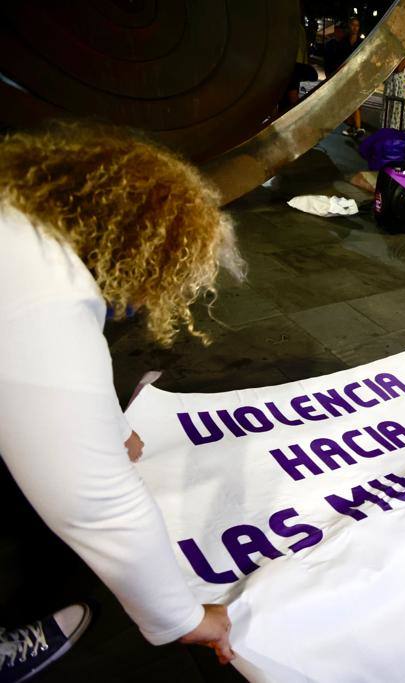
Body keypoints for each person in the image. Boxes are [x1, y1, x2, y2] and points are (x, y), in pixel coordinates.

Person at [0, 122, 245, 674]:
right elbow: (97, 503)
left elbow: (44, 377)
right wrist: (184, 617)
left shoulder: (21, 219)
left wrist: (112, 428)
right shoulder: (47, 297)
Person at [324, 17, 365, 137]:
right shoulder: (343, 42)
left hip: (357, 75)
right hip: (345, 75)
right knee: (351, 101)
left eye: (357, 25)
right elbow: (338, 59)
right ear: (349, 26)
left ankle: (356, 127)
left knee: (356, 101)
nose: (355, 28)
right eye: (353, 25)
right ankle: (355, 127)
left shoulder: (361, 43)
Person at [383, 53, 405, 132]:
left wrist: (389, 62)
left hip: (399, 84)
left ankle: (396, 132)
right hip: (390, 83)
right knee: (388, 108)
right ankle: (387, 131)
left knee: (397, 108)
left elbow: (399, 68)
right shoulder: (393, 50)